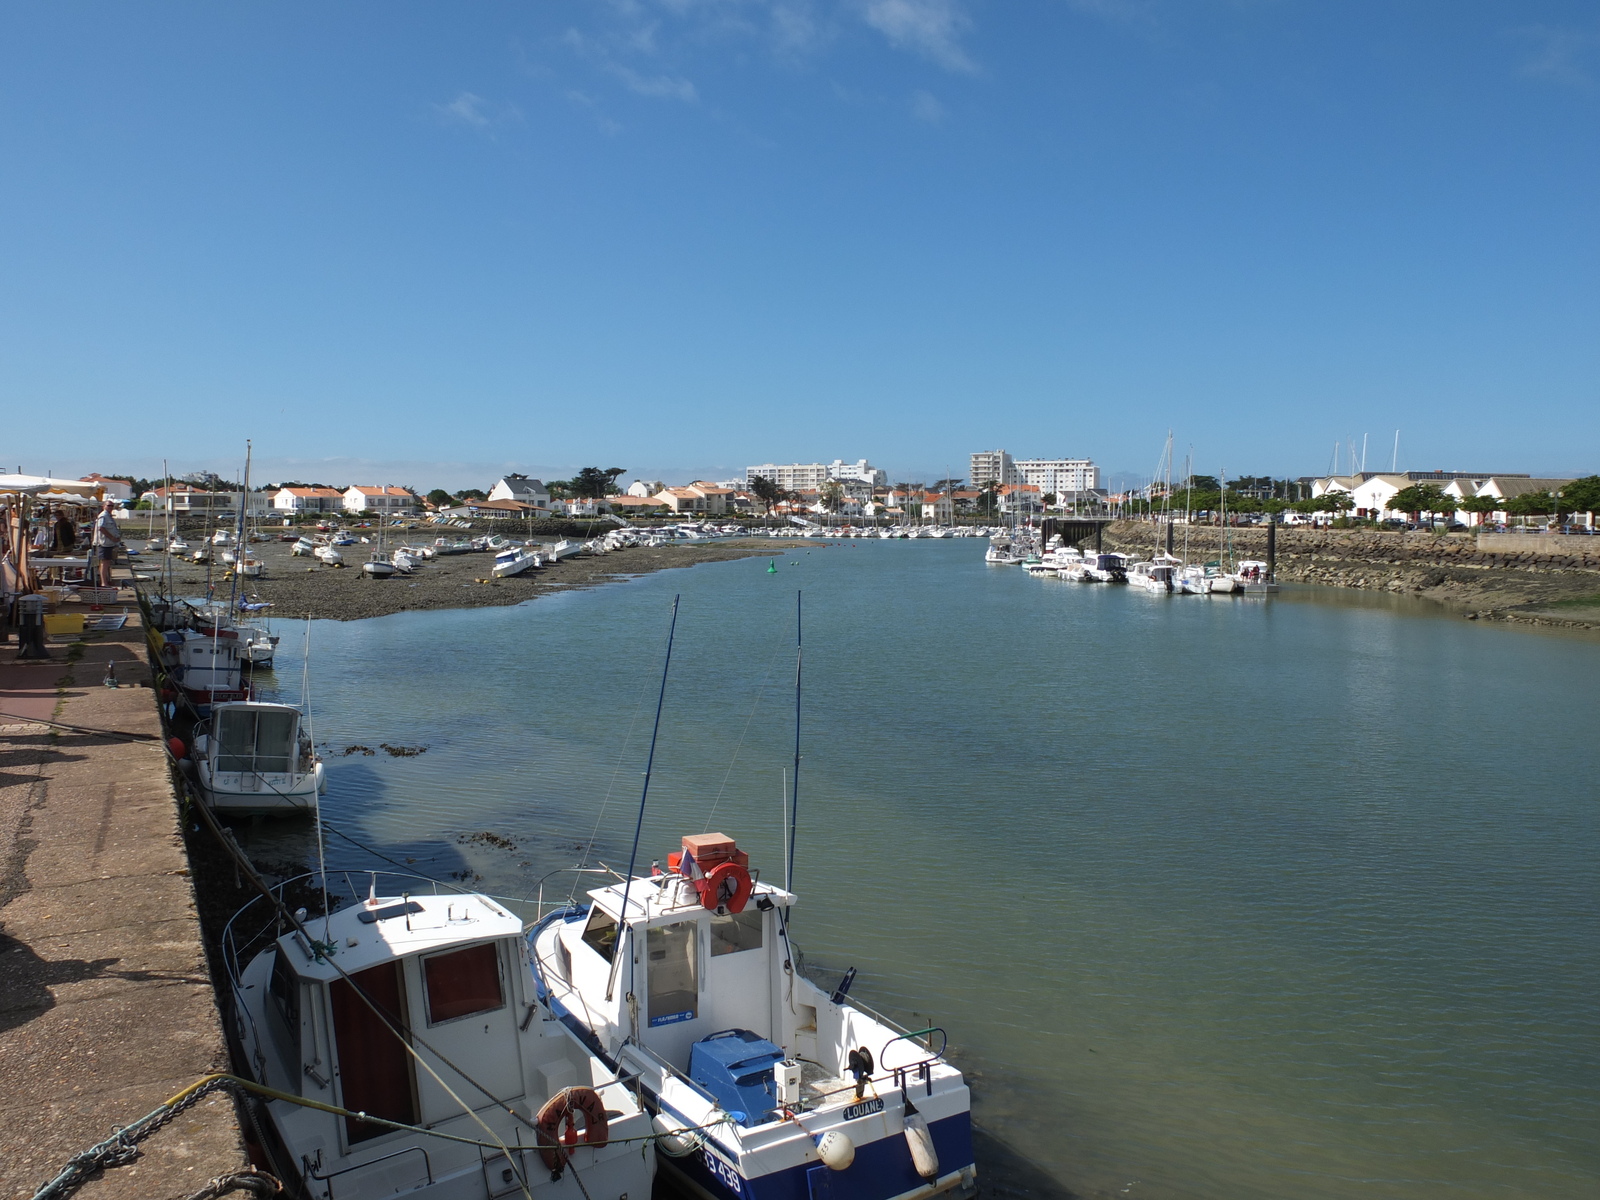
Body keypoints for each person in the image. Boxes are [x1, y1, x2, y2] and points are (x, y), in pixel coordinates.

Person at [91, 501, 122, 587]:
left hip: (109, 544)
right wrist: (112, 537)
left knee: (107, 562)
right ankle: (104, 583)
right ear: (104, 506)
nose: (110, 507)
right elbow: (101, 528)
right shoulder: (103, 516)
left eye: (112, 506)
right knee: (104, 563)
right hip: (103, 543)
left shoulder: (109, 516)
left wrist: (116, 538)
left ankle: (106, 581)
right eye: (108, 505)